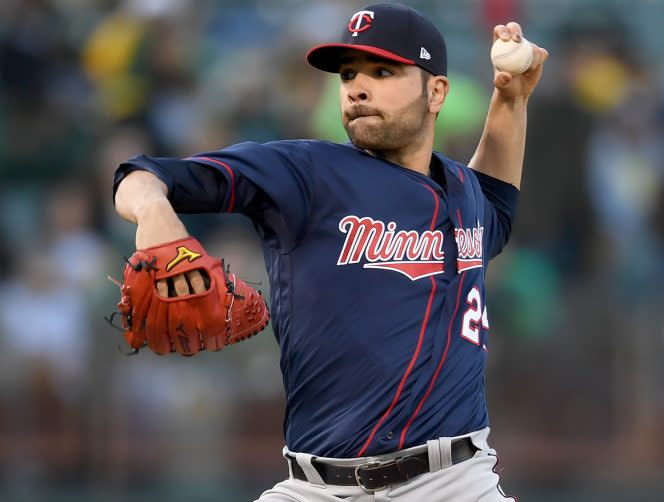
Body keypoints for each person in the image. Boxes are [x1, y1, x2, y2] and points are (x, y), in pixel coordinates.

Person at [112, 3, 548, 501]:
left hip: (455, 483)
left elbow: (498, 201)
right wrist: (153, 214)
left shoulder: (466, 194)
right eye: (347, 75)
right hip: (317, 487)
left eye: (384, 71)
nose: (358, 87)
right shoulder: (305, 172)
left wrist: (510, 98)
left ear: (437, 91)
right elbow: (141, 174)